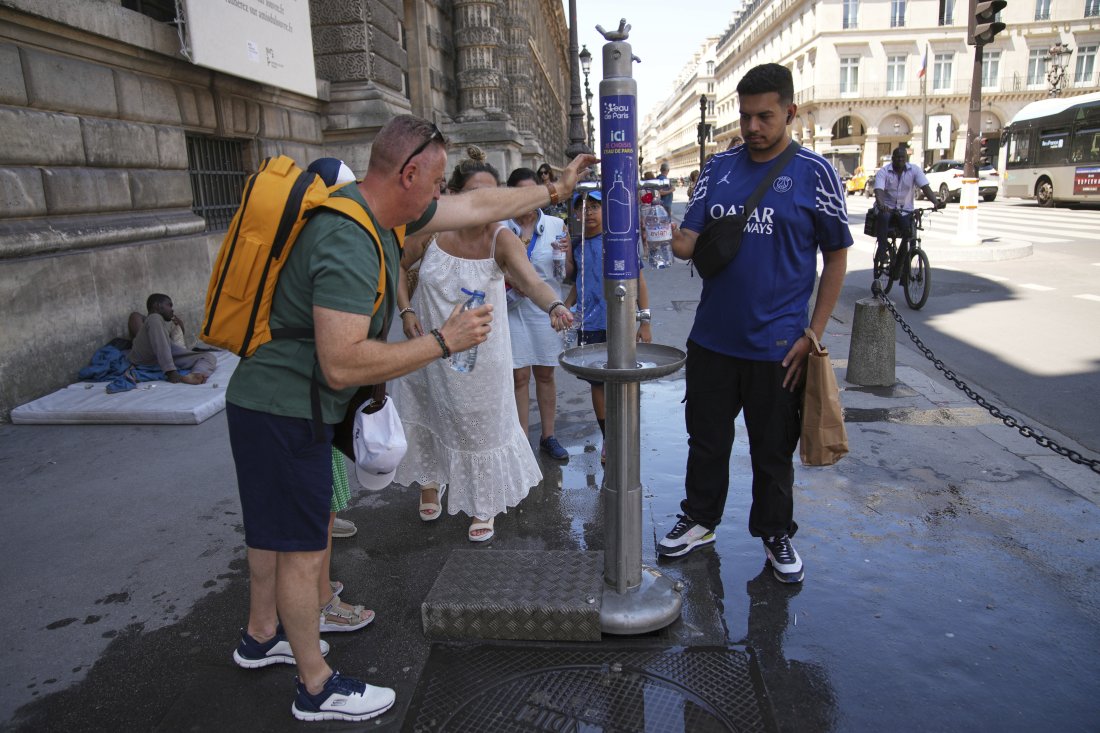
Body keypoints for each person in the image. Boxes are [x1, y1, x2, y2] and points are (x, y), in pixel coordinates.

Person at [225, 115, 596, 723]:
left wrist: (553, 190)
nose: (441, 195)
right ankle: (315, 687)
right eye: (436, 183)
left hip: (271, 402)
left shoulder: (379, 215)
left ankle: (261, 636)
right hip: (285, 409)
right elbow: (342, 363)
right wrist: (443, 342)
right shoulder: (349, 237)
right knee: (300, 547)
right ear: (409, 173)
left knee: (274, 533)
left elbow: (479, 203)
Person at [660, 63, 852, 585]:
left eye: (764, 116)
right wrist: (664, 233)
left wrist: (814, 334)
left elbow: (836, 256)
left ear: (790, 112)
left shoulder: (816, 173)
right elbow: (689, 244)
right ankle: (700, 519)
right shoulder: (718, 169)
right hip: (712, 340)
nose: (752, 127)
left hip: (779, 346)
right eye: (745, 116)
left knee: (773, 452)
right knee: (706, 441)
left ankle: (775, 532)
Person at [392, 148, 574, 542]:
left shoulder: (501, 239)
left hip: (481, 357)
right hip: (428, 348)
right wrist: (406, 311)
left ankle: (484, 500)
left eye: (493, 196)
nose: (485, 204)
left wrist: (555, 305)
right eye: (476, 195)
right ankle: (430, 481)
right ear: (454, 196)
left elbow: (532, 281)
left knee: (480, 425)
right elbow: (395, 265)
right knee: (428, 410)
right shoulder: (431, 231)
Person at [564, 190, 652, 464]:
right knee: (598, 383)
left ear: (606, 210)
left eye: (595, 206)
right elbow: (579, 283)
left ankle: (626, 433)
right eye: (583, 207)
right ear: (576, 214)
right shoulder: (576, 246)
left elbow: (639, 281)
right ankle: (609, 439)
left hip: (620, 321)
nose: (588, 212)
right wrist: (563, 308)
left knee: (623, 379)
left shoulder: (619, 240)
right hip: (589, 324)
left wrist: (644, 320)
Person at [503, 167, 571, 461]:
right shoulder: (500, 226)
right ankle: (521, 442)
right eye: (521, 193)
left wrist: (566, 254)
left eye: (533, 192)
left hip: (545, 308)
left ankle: (548, 436)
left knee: (545, 373)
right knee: (518, 376)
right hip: (512, 307)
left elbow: (566, 273)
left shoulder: (556, 225)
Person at [872, 146, 943, 280]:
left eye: (903, 157)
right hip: (887, 207)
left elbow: (925, 187)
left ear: (906, 159)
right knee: (883, 217)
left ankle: (901, 263)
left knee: (909, 234)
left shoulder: (914, 170)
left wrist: (936, 202)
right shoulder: (884, 172)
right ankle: (882, 251)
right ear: (892, 158)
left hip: (904, 209)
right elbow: (878, 190)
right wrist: (881, 204)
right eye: (897, 157)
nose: (900, 160)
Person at [128, 294, 216, 384]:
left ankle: (196, 374)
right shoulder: (153, 318)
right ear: (157, 305)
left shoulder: (161, 323)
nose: (172, 309)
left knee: (208, 357)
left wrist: (179, 326)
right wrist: (171, 371)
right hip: (146, 361)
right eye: (169, 305)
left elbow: (170, 345)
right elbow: (160, 345)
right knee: (154, 318)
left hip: (164, 357)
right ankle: (170, 371)